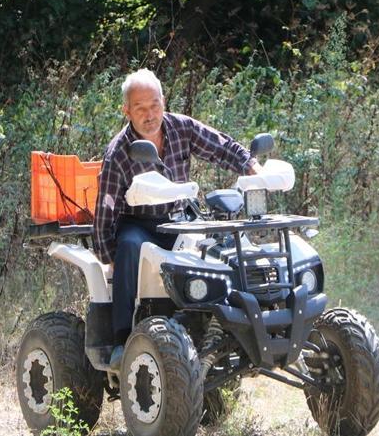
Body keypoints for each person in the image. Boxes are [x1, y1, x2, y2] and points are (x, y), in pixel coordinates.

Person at [93, 68, 261, 370]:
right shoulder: (118, 152)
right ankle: (122, 340)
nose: (149, 114)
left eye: (154, 104)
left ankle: (226, 331)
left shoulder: (181, 128)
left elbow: (220, 146)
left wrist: (249, 165)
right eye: (140, 108)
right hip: (139, 224)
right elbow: (105, 210)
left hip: (182, 219)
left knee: (223, 242)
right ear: (127, 111)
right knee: (129, 249)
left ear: (163, 101)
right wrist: (109, 257)